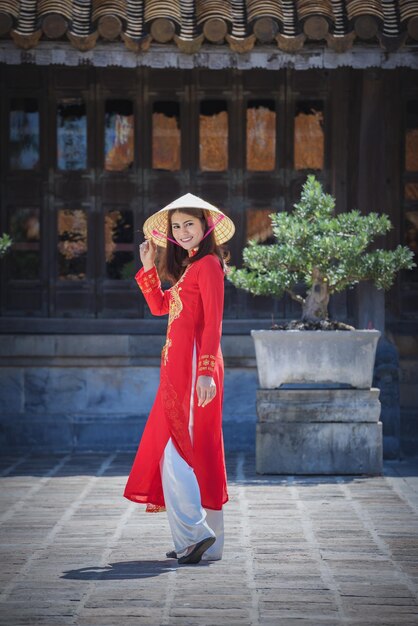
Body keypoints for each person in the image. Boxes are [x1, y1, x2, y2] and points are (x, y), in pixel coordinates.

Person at [124, 193, 235, 565]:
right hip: (178, 369)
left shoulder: (209, 265)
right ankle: (201, 541)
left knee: (175, 449)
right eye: (177, 226)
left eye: (190, 223)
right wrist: (148, 267)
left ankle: (198, 533)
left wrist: (205, 372)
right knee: (190, 448)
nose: (183, 231)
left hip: (193, 369)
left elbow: (214, 323)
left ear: (206, 226)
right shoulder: (190, 267)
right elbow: (162, 307)